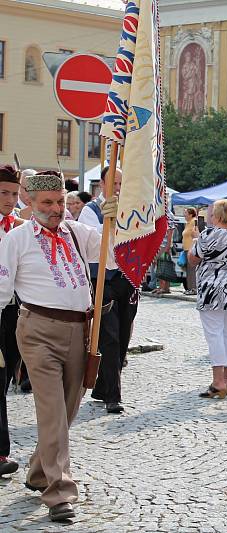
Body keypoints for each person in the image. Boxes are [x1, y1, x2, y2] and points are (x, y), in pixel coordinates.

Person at [0, 171, 117, 521]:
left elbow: (113, 255)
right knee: (52, 410)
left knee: (68, 410)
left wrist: (117, 218)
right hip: (37, 330)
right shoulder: (17, 239)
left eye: (60, 202)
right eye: (47, 203)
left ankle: (38, 471)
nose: (55, 209)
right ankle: (59, 491)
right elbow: (2, 288)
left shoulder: (77, 232)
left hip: (80, 332)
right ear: (31, 204)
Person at [78, 166, 137, 414]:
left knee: (123, 337)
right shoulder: (90, 211)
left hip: (128, 278)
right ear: (103, 185)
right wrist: (110, 220)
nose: (119, 188)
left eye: (122, 184)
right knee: (110, 337)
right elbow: (91, 241)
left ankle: (103, 387)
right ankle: (114, 395)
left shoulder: (134, 211)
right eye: (114, 183)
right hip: (103, 280)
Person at [189, 199, 227, 399]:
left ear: (218, 215)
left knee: (214, 334)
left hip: (211, 288)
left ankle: (218, 381)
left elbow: (193, 258)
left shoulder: (208, 235)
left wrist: (195, 244)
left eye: (212, 213)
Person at [0, 164, 24, 477]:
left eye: (14, 194)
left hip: (14, 314)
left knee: (4, 381)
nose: (9, 199)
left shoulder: (19, 228)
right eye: (4, 193)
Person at [181, 207, 199, 295]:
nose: (184, 215)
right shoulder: (187, 223)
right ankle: (190, 288)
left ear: (191, 214)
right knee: (188, 270)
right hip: (186, 249)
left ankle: (194, 288)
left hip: (191, 249)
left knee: (192, 269)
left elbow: (195, 233)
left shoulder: (193, 221)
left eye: (186, 213)